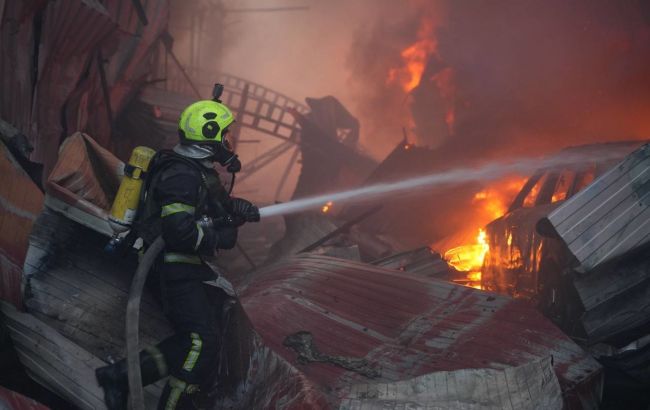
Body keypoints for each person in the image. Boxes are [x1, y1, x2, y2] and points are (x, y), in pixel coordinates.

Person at [95, 98, 260, 409]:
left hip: (183, 266)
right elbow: (179, 232)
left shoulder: (198, 171)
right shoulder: (182, 176)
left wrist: (234, 212)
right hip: (171, 268)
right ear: (209, 136)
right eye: (225, 134)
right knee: (202, 341)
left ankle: (120, 376)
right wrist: (218, 230)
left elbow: (221, 222)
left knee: (193, 339)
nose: (229, 141)